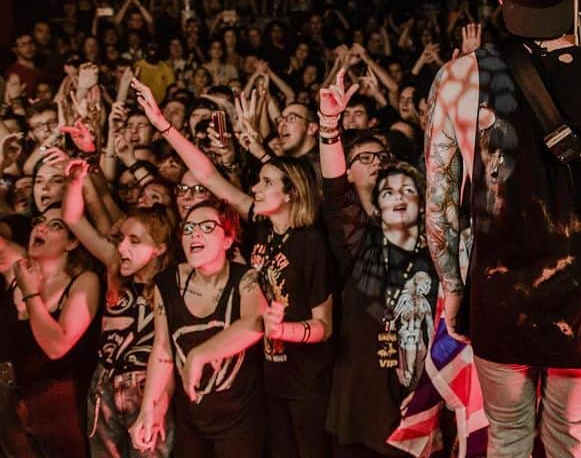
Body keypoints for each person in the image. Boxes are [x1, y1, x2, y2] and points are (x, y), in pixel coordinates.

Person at [424, 0, 581, 457]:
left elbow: (438, 208)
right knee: (570, 436)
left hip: (499, 295)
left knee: (508, 437)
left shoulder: (456, 80)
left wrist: (454, 288)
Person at [318, 69, 437, 456]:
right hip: (364, 393)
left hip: (420, 386)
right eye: (364, 157)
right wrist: (329, 125)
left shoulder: (427, 241)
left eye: (383, 156)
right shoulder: (356, 238)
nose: (377, 162)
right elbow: (335, 190)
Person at [131, 199, 266, 458]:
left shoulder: (244, 278)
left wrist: (198, 355)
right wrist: (150, 407)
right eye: (189, 227)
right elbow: (163, 350)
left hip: (240, 419)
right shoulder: (167, 283)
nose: (195, 233)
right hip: (191, 417)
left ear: (227, 240)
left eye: (206, 226)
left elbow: (255, 323)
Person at [61, 158, 174, 458]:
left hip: (147, 384)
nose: (123, 247)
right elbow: (73, 219)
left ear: (160, 248)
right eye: (123, 238)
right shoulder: (114, 264)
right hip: (105, 380)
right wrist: (75, 182)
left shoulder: (173, 280)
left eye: (135, 241)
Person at [248, 155, 335, 458]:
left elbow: (324, 326)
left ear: (291, 192)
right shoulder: (264, 234)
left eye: (267, 182)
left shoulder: (310, 242)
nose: (255, 188)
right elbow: (211, 179)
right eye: (258, 180)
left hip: (307, 380)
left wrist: (284, 330)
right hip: (271, 375)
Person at [0, 203, 101, 458]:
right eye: (39, 221)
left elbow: (56, 347)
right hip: (10, 402)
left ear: (72, 243)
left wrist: (31, 293)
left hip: (58, 405)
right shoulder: (19, 272)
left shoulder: (84, 281)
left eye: (55, 225)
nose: (41, 227)